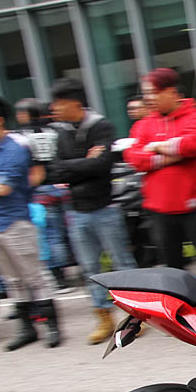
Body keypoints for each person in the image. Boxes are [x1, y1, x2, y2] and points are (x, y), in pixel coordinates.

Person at [49, 78, 138, 344]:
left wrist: (73, 167)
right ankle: (103, 318)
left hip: (105, 208)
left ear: (75, 103)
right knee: (89, 267)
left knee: (122, 263)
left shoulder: (101, 126)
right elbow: (55, 169)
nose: (55, 109)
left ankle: (135, 316)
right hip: (76, 210)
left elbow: (102, 165)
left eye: (59, 103)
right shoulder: (61, 132)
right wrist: (83, 163)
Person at [0, 96, 61, 349]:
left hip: (16, 223)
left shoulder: (14, 148)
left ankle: (51, 326)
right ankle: (27, 328)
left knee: (34, 276)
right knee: (11, 280)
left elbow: (3, 188)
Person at [123, 68, 196, 274]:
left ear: (172, 92)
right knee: (172, 268)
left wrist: (155, 147)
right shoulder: (143, 125)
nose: (149, 99)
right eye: (147, 93)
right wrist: (171, 154)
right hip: (158, 209)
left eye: (154, 93)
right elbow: (134, 158)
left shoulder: (194, 117)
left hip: (194, 205)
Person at [15, 99, 74, 291]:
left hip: (41, 189)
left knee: (51, 235)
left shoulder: (21, 136)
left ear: (26, 115)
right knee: (70, 231)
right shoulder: (57, 131)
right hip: (63, 186)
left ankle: (60, 277)